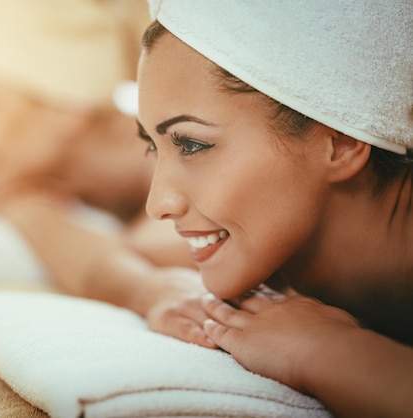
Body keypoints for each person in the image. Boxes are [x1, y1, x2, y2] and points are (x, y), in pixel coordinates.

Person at [134, 1, 413, 416]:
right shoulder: (268, 243)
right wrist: (155, 292)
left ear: (341, 141)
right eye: (151, 147)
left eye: (192, 144)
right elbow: (126, 249)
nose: (158, 205)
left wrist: (330, 352)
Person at [0, 0, 208, 325]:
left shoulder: (193, 158)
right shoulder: (80, 182)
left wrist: (26, 207)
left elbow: (142, 261)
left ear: (65, 104)